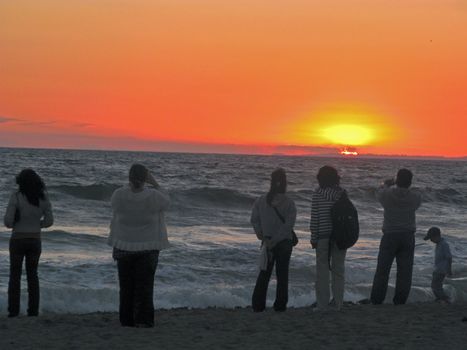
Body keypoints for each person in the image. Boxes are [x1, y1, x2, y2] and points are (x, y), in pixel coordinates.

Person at [108, 164, 170, 327]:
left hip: (123, 246)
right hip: (148, 248)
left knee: (126, 287)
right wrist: (155, 183)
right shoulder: (154, 196)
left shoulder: (118, 195)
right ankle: (143, 320)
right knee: (145, 287)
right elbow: (167, 201)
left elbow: (114, 210)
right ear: (145, 179)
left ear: (129, 177)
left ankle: (126, 320)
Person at [3, 169, 54, 317]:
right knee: (33, 276)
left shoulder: (16, 197)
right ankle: (33, 311)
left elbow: (7, 222)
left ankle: (13, 311)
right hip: (35, 240)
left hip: (18, 239)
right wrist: (39, 225)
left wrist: (16, 222)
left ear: (20, 182)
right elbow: (50, 221)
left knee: (15, 276)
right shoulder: (43, 198)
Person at [370, 168, 422, 305]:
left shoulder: (387, 194)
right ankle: (400, 300)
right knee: (405, 271)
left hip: (390, 235)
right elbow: (417, 201)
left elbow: (378, 193)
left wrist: (386, 184)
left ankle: (377, 299)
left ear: (397, 180)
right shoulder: (415, 197)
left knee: (382, 270)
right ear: (410, 182)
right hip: (408, 235)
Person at [250, 168, 296, 312]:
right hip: (283, 243)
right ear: (285, 183)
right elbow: (288, 226)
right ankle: (280, 305)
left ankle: (258, 305)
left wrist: (261, 236)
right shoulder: (289, 203)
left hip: (267, 241)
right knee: (282, 275)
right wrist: (275, 240)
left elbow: (254, 220)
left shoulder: (261, 200)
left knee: (264, 274)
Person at [310, 166, 347, 311]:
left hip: (323, 237)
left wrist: (314, 238)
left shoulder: (318, 193)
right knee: (339, 271)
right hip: (340, 237)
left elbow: (315, 218)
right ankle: (338, 303)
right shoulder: (342, 193)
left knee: (322, 272)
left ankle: (322, 305)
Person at [424, 226, 453, 303]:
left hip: (441, 270)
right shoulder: (439, 244)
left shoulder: (444, 244)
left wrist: (449, 269)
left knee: (435, 286)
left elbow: (449, 257)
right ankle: (441, 298)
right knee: (436, 286)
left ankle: (445, 298)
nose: (431, 240)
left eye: (431, 238)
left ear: (436, 236)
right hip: (438, 269)